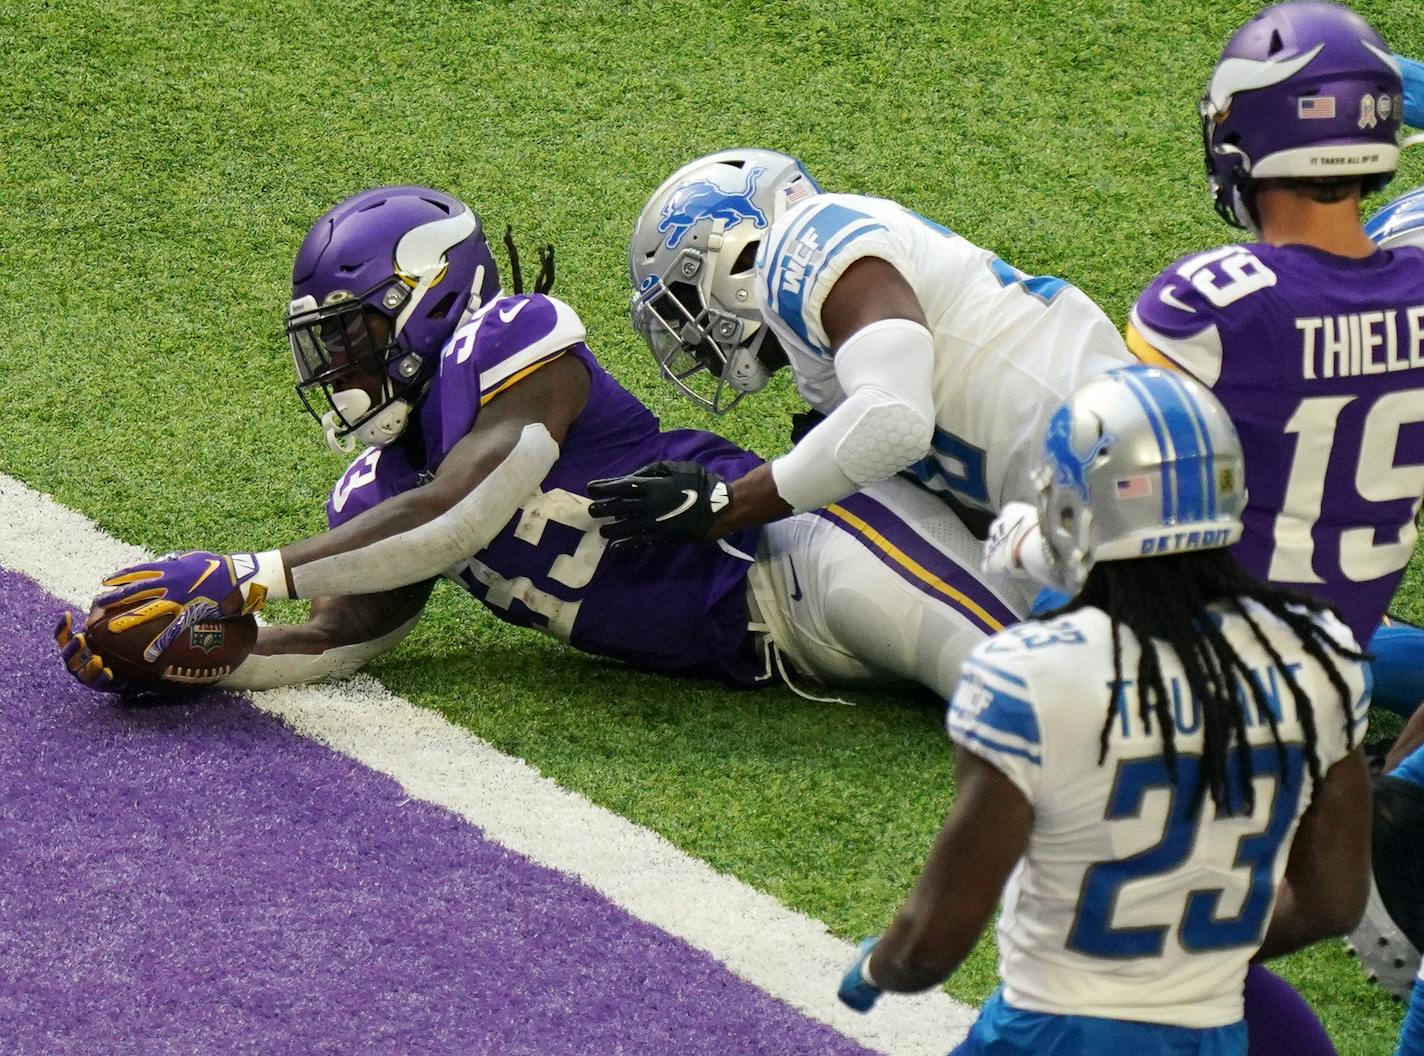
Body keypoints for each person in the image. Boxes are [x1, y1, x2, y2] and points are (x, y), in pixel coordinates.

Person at [55, 185, 1027, 701]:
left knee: (1030, 686)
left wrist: (250, 572)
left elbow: (467, 506)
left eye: (349, 338)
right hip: (770, 651)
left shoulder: (509, 337)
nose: (338, 373)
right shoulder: (378, 491)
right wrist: (193, 657)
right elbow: (343, 635)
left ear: (423, 304)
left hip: (807, 546)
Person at [835, 365, 1372, 1056]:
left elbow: (932, 946)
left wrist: (878, 968)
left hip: (1049, 1033)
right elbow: (1332, 901)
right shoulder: (1317, 655)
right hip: (1208, 1035)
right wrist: (1185, 958)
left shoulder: (1034, 675)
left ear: (1070, 509)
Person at [587, 148, 1133, 564]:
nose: (686, 335)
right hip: (1090, 494)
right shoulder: (829, 356)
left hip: (1126, 462)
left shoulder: (803, 239)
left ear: (736, 252)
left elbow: (894, 420)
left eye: (682, 302)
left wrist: (724, 505)